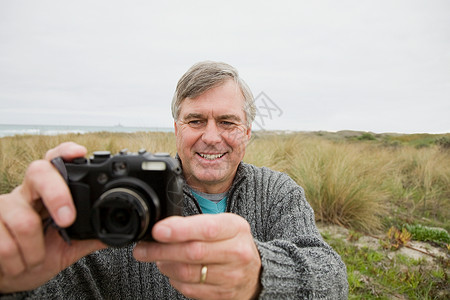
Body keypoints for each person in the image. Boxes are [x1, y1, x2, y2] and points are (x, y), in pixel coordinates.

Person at [0, 61, 348, 299]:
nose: (211, 137)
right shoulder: (121, 200)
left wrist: (260, 276)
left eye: (227, 122)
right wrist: (12, 277)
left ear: (247, 133)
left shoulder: (277, 192)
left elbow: (333, 280)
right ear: (177, 129)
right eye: (196, 121)